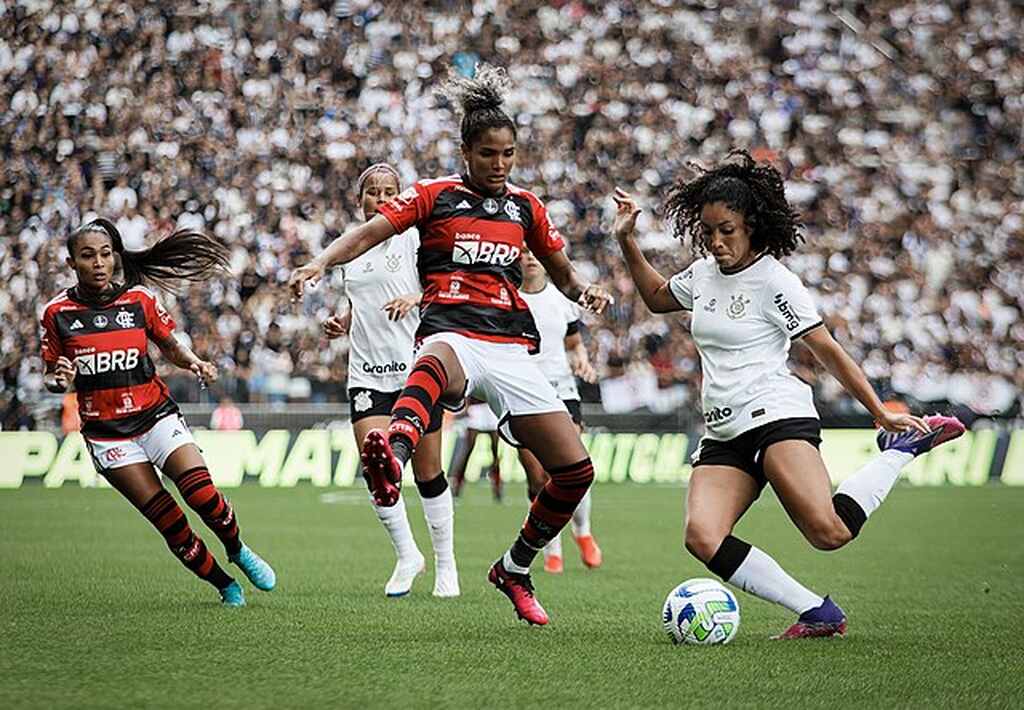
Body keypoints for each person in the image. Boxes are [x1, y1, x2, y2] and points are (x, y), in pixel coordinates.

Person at [289, 64, 613, 626]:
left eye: (509, 154)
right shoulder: (433, 197)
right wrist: (320, 261)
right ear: (466, 151)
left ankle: (514, 568)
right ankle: (394, 447)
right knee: (436, 358)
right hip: (452, 332)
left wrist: (586, 291)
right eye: (489, 154)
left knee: (575, 472)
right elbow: (368, 233)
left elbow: (562, 271)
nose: (500, 164)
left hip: (510, 346)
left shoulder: (525, 206)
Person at [610, 151, 965, 639]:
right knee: (702, 536)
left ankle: (898, 454)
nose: (716, 241)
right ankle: (816, 612)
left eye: (727, 230)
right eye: (709, 231)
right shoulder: (703, 273)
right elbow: (656, 298)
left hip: (776, 416)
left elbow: (826, 349)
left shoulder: (777, 282)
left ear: (752, 225)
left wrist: (880, 411)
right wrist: (627, 241)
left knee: (829, 533)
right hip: (723, 430)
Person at [40, 218, 276, 608]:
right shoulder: (57, 312)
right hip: (108, 433)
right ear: (71, 263)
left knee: (202, 493)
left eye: (105, 254)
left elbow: (168, 345)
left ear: (115, 257)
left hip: (155, 416)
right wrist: (59, 378)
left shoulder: (139, 300)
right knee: (170, 522)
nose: (98, 263)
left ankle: (237, 549)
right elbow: (52, 376)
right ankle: (224, 584)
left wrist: (195, 362)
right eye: (87, 256)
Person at [320, 163, 458, 598]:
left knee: (428, 472)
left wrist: (416, 297)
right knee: (376, 469)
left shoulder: (415, 238)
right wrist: (343, 322)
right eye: (373, 192)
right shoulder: (351, 250)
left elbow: (448, 287)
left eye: (389, 191)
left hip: (417, 371)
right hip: (366, 373)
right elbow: (360, 301)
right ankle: (406, 555)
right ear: (359, 200)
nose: (381, 198)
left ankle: (445, 564)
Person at [518, 248, 602, 573]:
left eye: (533, 252)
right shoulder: (509, 298)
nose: (529, 258)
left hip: (562, 391)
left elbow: (573, 342)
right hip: (522, 393)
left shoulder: (562, 299)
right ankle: (551, 548)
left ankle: (582, 533)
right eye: (523, 252)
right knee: (537, 478)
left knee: (571, 470)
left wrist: (581, 358)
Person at [447, 399, 503, 502]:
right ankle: (457, 485)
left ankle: (497, 486)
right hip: (475, 409)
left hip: (490, 408)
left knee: (495, 451)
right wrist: (466, 405)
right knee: (468, 450)